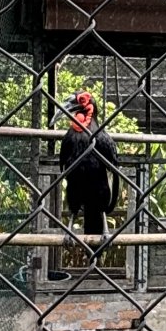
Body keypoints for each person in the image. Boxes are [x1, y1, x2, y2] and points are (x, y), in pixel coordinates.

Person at [58, 87, 120, 251]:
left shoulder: (101, 138)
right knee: (73, 199)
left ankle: (105, 229)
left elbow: (112, 176)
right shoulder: (69, 138)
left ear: (90, 106)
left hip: (100, 191)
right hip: (76, 188)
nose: (75, 106)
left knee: (98, 206)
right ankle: (70, 229)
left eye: (82, 102)